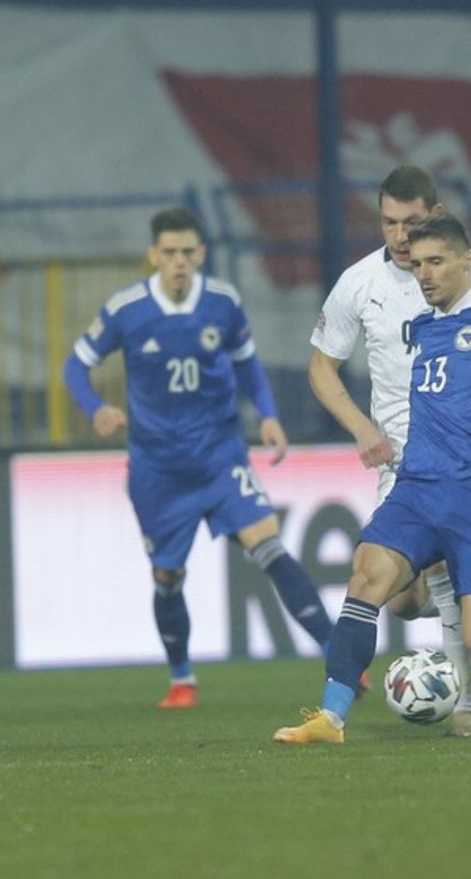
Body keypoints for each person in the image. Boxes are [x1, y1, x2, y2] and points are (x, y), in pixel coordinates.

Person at [275, 214, 471, 744]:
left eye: (437, 263)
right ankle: (331, 717)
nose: (426, 276)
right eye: (418, 266)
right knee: (366, 581)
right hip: (417, 487)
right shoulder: (421, 325)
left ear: (468, 260)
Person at [64, 206, 336, 707]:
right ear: (153, 255)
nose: (179, 261)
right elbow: (75, 367)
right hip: (157, 469)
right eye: (169, 253)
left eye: (188, 252)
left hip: (220, 454)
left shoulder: (223, 303)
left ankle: (340, 658)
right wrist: (96, 407)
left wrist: (270, 415)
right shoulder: (126, 309)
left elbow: (248, 365)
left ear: (201, 254)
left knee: (269, 545)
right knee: (168, 576)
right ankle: (182, 678)